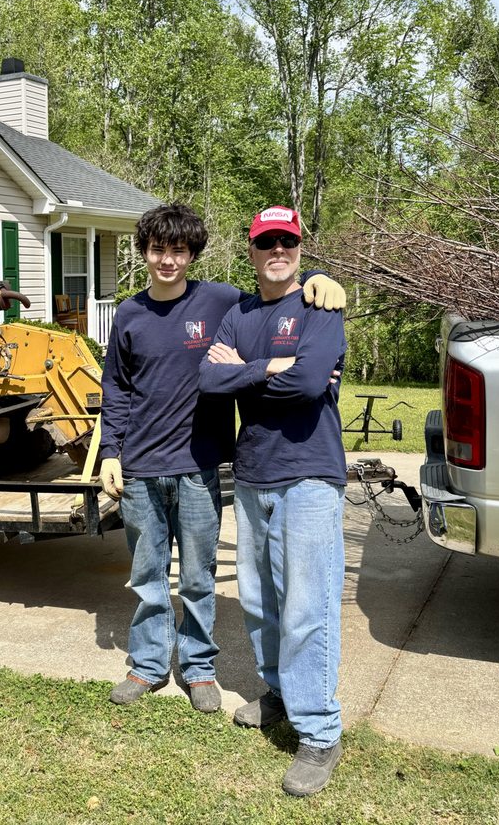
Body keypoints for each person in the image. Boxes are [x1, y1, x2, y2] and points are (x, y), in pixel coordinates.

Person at [99, 203, 345, 715]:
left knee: (196, 575)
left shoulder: (221, 302)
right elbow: (117, 388)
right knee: (147, 575)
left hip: (200, 462)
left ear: (192, 255)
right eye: (158, 249)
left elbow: (280, 293)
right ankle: (146, 665)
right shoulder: (128, 313)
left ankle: (199, 667)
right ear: (143, 253)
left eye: (179, 250)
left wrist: (322, 278)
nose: (168, 260)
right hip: (141, 465)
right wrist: (110, 453)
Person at [198, 205, 347, 797]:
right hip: (254, 472)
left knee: (308, 604)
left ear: (300, 248)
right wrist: (274, 366)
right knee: (260, 600)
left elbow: (312, 383)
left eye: (287, 241)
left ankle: (320, 731)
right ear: (253, 250)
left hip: (309, 473)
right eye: (267, 243)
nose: (277, 251)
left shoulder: (321, 307)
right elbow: (209, 381)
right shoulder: (238, 313)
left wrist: (248, 371)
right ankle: (280, 695)